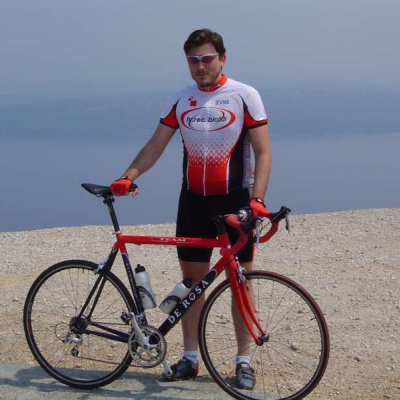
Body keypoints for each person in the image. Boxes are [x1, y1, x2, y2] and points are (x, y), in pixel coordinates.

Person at [110, 28, 271, 390]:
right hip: (193, 201)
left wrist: (257, 199)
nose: (200, 66)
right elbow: (155, 145)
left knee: (240, 282)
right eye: (193, 60)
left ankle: (243, 361)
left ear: (222, 59)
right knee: (192, 284)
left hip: (235, 201)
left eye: (207, 58)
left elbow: (263, 153)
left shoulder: (245, 95)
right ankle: (190, 358)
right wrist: (129, 175)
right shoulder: (179, 98)